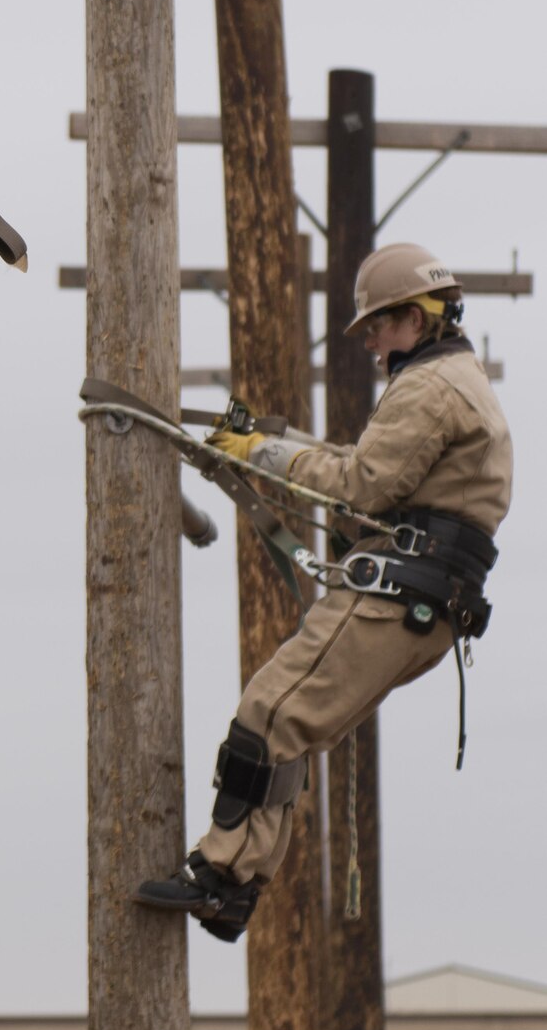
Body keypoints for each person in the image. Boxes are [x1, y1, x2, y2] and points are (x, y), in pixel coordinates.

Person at [136, 243, 512, 942]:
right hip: (425, 604)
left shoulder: (429, 388)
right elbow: (364, 472)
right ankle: (234, 886)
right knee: (289, 726)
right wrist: (268, 446)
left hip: (396, 596)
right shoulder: (455, 381)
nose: (370, 344)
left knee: (268, 713)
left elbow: (359, 488)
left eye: (376, 327)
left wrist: (259, 454)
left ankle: (220, 876)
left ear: (416, 315)